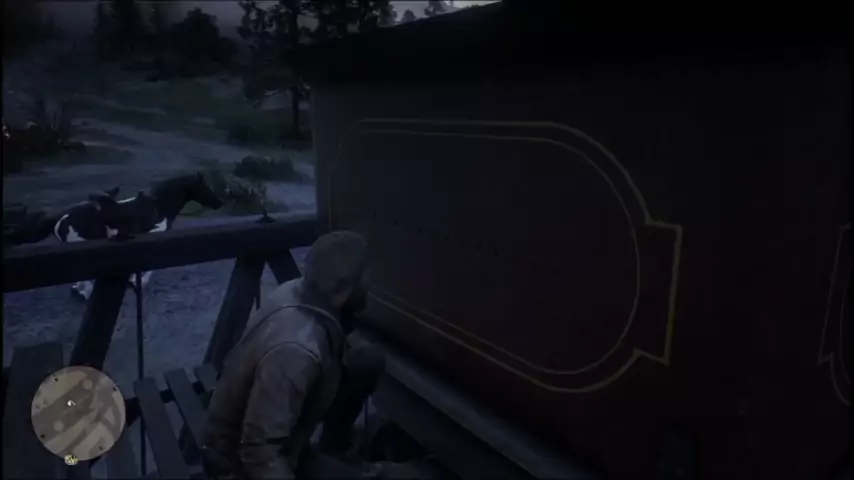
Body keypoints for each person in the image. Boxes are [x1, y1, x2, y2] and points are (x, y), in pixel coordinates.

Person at [201, 231, 386, 479]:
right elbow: (259, 454)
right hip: (236, 465)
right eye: (364, 281)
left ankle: (334, 449)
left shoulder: (297, 290)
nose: (369, 287)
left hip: (283, 441)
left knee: (365, 361)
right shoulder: (295, 353)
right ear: (341, 291)